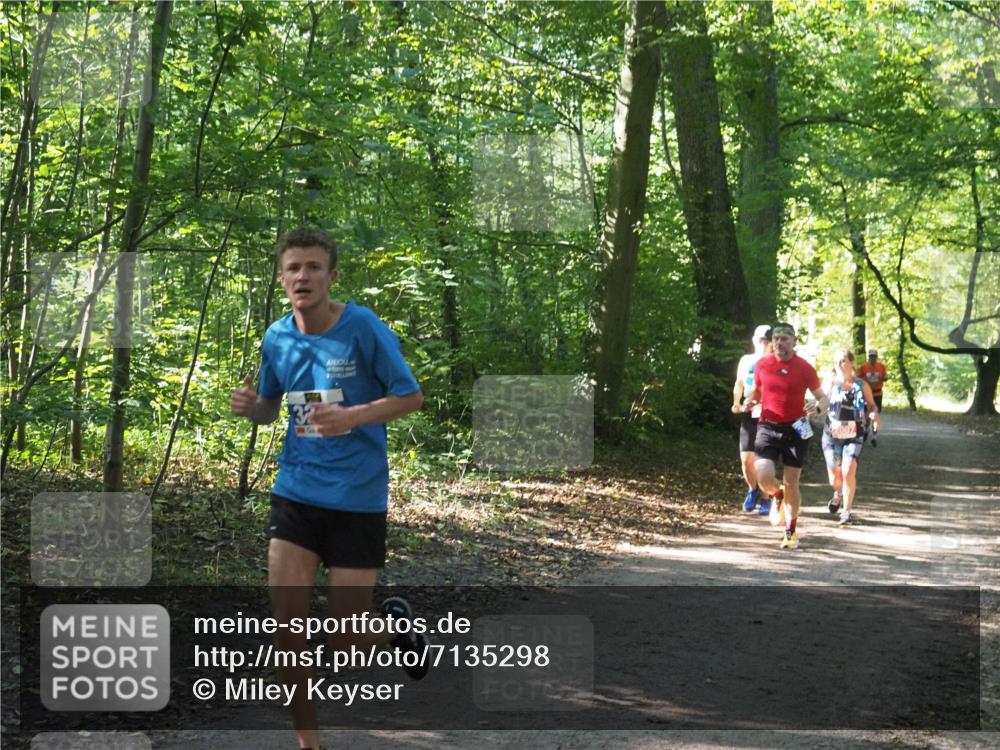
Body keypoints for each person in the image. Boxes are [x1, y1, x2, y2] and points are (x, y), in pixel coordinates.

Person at [231, 227, 426, 750]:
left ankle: (394, 632)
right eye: (293, 268)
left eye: (314, 267)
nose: (303, 277)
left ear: (331, 276)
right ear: (281, 279)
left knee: (345, 636)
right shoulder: (277, 337)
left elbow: (410, 396)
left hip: (357, 496)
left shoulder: (363, 328)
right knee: (287, 632)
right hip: (296, 492)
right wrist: (256, 410)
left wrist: (353, 416)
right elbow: (272, 406)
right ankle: (309, 745)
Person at [744, 323, 829, 549]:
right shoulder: (762, 365)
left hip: (796, 429)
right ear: (772, 342)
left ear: (794, 342)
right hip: (767, 426)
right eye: (777, 339)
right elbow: (758, 391)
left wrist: (818, 408)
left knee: (793, 481)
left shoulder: (805, 368)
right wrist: (750, 401)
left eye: (785, 339)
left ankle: (790, 531)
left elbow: (824, 398)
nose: (779, 343)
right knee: (762, 476)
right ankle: (777, 493)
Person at [822, 349, 880, 525]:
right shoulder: (830, 383)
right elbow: (821, 400)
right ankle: (838, 493)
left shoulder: (861, 385)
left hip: (854, 435)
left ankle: (846, 512)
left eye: (842, 360)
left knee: (848, 471)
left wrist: (874, 416)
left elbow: (872, 406)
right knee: (835, 479)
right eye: (836, 361)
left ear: (852, 362)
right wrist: (814, 407)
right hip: (831, 435)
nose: (839, 364)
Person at [731, 325, 774, 515]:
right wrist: (736, 402)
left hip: (770, 414)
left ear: (772, 343)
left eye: (767, 341)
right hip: (749, 412)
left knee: (763, 459)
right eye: (760, 340)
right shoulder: (746, 360)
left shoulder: (777, 361)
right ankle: (753, 489)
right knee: (746, 458)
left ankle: (766, 498)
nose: (763, 344)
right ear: (754, 340)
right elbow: (739, 384)